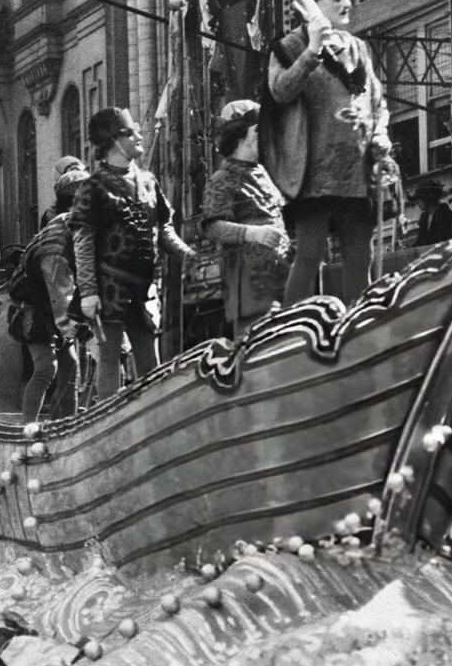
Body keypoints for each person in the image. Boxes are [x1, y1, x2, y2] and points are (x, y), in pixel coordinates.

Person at [262, 0, 392, 304]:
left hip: (356, 169)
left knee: (359, 256)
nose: (346, 4)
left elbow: (377, 102)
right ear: (313, 3)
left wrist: (380, 134)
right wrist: (312, 50)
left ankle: (358, 331)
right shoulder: (288, 46)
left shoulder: (357, 47)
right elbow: (280, 91)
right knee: (309, 256)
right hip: (313, 172)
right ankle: (289, 331)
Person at [70, 107, 195, 399]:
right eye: (132, 132)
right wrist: (88, 291)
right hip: (109, 287)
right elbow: (83, 242)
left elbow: (164, 230)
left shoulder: (149, 181)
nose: (140, 136)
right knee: (110, 358)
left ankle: (154, 419)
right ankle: (107, 424)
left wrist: (189, 256)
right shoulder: (92, 187)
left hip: (144, 288)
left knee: (150, 361)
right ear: (114, 139)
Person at [200, 99, 290, 336]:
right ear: (242, 136)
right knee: (254, 341)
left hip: (278, 272)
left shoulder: (263, 173)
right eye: (259, 130)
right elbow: (213, 227)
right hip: (247, 277)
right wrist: (253, 233)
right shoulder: (222, 178)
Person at [15, 161, 89, 423]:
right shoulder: (58, 229)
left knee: (71, 367)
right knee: (46, 369)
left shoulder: (78, 228)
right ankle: (27, 428)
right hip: (37, 312)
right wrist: (71, 323)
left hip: (58, 309)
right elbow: (57, 278)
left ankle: (64, 425)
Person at [410, 179, 452, 246]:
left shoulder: (444, 213)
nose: (417, 203)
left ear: (428, 197)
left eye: (419, 199)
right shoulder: (424, 216)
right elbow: (420, 240)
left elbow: (443, 239)